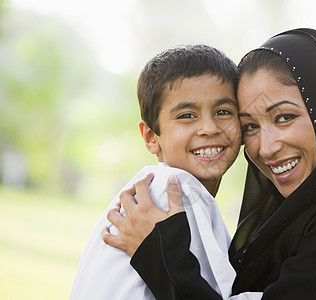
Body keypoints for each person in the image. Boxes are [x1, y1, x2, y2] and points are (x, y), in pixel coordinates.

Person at [103, 29, 316, 299]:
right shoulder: (314, 206)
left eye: (284, 117)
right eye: (250, 126)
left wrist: (160, 256)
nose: (265, 148)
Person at [69, 44, 243, 300]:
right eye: (187, 115)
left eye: (223, 112)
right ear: (151, 137)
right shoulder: (179, 191)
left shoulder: (150, 187)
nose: (209, 127)